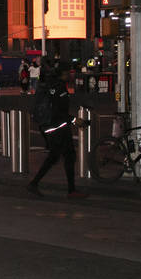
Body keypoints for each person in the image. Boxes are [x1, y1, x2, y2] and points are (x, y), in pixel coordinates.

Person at [27, 62, 87, 199]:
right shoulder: (59, 88)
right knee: (68, 156)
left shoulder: (49, 84)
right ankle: (71, 190)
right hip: (58, 127)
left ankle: (35, 183)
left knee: (56, 156)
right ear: (63, 74)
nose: (71, 75)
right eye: (68, 72)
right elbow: (59, 111)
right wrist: (74, 120)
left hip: (49, 127)